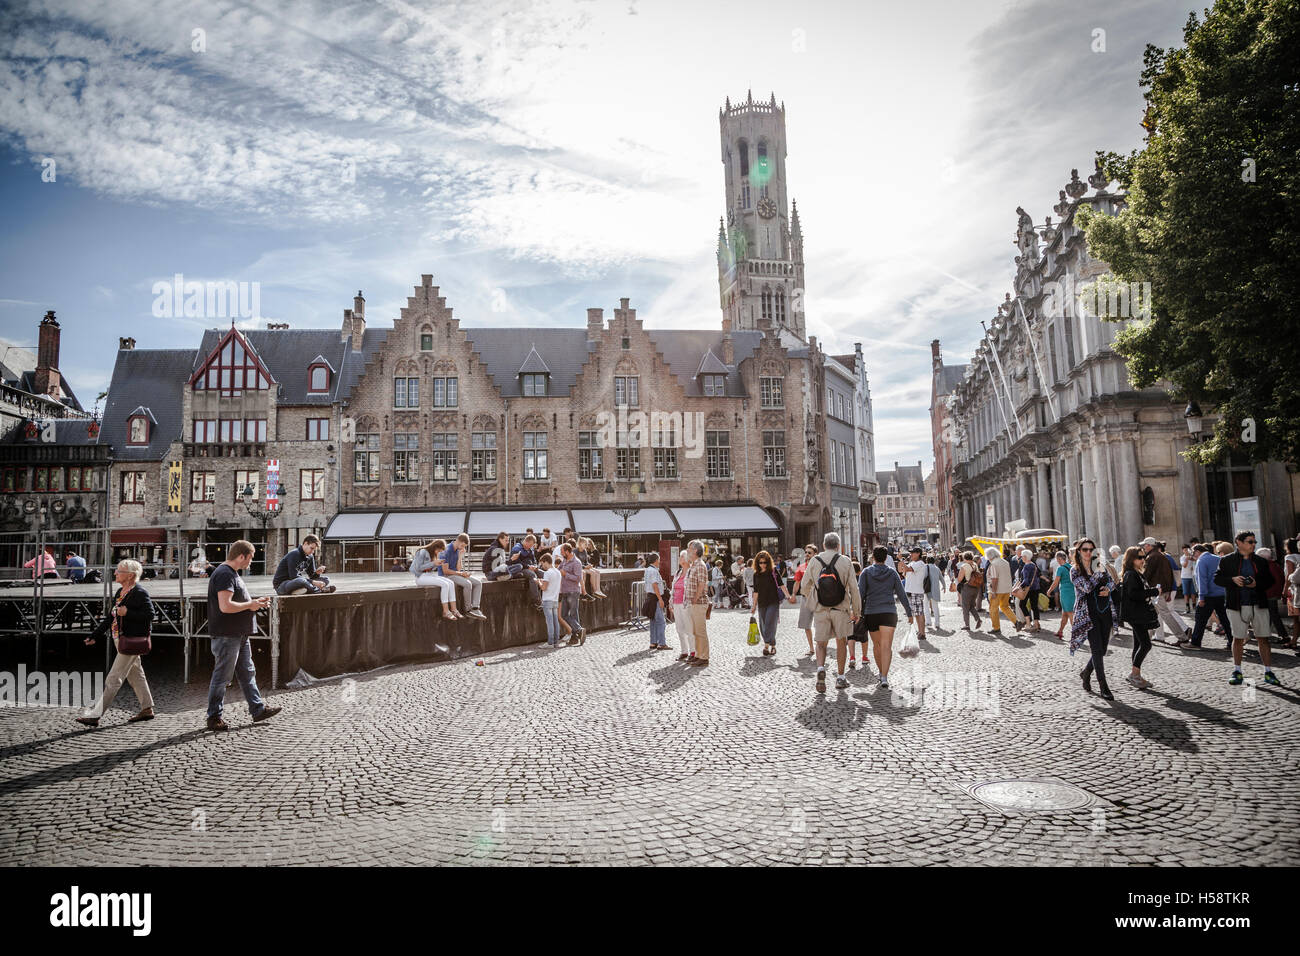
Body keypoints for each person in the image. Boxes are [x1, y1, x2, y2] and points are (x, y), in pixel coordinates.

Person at [205, 540, 281, 731]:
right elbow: (226, 606)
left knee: (248, 673)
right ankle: (214, 717)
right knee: (222, 677)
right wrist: (251, 605)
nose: (251, 562)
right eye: (251, 558)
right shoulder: (224, 574)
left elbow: (235, 602)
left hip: (238, 634)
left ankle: (258, 709)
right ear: (241, 556)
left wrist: (254, 603)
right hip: (227, 635)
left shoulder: (231, 574)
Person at [75, 559, 155, 727]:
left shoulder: (139, 592)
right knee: (136, 674)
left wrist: (128, 612)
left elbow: (149, 614)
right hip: (120, 639)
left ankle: (95, 715)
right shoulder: (120, 591)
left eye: (119, 571)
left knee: (114, 678)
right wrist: (94, 635)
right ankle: (147, 709)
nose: (115, 573)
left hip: (131, 641)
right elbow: (111, 617)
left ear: (131, 575)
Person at [1215, 530, 1281, 687]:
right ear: (1239, 542)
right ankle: (1237, 671)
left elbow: (1270, 581)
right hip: (1236, 605)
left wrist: (1256, 584)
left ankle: (1268, 671)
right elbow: (1217, 579)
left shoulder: (1261, 561)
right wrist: (1232, 580)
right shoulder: (1226, 561)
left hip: (1259, 603)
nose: (1253, 545)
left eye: (1254, 542)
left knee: (1263, 638)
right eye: (1250, 542)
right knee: (1238, 638)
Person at [804, 532, 861, 692]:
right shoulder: (845, 561)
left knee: (821, 644)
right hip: (840, 608)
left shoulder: (815, 561)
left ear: (823, 545)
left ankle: (821, 669)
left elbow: (804, 585)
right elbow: (854, 589)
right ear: (838, 546)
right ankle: (841, 678)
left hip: (821, 609)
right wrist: (856, 611)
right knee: (841, 642)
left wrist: (815, 596)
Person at [855, 546, 913, 688]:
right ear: (886, 558)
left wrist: (855, 611)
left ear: (873, 557)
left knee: (877, 646)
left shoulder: (866, 573)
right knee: (887, 646)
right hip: (888, 612)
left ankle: (881, 673)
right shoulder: (892, 573)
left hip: (871, 612)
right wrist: (909, 612)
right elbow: (901, 593)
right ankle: (885, 677)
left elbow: (860, 594)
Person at [1069, 538, 1115, 700]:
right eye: (1085, 550)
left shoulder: (1100, 566)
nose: (1089, 552)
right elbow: (1087, 588)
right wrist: (1096, 572)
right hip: (1087, 615)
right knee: (1096, 649)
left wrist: (1108, 589)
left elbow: (1112, 582)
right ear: (1079, 552)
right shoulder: (1074, 570)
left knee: (1102, 650)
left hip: (1105, 611)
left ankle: (1086, 671)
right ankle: (1103, 686)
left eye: (1091, 549)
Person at [1120, 546, 1160, 690]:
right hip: (1135, 614)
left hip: (1137, 613)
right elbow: (1134, 594)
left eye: (1144, 557)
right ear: (1132, 559)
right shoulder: (1131, 574)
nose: (1143, 560)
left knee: (1138, 644)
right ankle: (1134, 675)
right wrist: (1154, 591)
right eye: (1139, 558)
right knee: (1146, 644)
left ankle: (1135, 674)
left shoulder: (1136, 573)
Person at [1181, 542, 1231, 649]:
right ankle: (1232, 642)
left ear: (1198, 552)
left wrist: (1202, 597)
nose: (1192, 556)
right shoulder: (1217, 558)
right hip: (1221, 593)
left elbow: (1202, 580)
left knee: (1200, 619)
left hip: (1208, 595)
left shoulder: (1201, 561)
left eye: (1193, 553)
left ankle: (1195, 643)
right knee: (1225, 619)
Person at [751, 549, 792, 656]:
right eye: (760, 562)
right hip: (762, 602)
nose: (763, 565)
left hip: (773, 601)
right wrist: (754, 605)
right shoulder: (756, 575)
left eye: (765, 562)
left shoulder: (773, 571)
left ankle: (766, 646)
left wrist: (788, 596)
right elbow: (755, 591)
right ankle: (773, 646)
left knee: (770, 623)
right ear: (757, 563)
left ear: (768, 562)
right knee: (763, 625)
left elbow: (781, 585)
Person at [412, 538, 462, 621]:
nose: (439, 553)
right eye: (439, 550)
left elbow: (430, 568)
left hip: (429, 575)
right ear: (435, 547)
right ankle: (446, 611)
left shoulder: (434, 554)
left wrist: (437, 563)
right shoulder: (422, 552)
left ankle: (454, 609)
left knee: (451, 583)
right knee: (445, 584)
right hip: (420, 577)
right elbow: (418, 568)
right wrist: (433, 563)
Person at [439, 533, 487, 620]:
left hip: (455, 573)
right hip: (446, 576)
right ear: (457, 541)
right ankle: (468, 610)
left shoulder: (458, 549)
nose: (462, 547)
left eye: (464, 546)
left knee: (478, 583)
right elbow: (445, 571)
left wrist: (460, 557)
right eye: (462, 545)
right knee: (468, 584)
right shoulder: (446, 550)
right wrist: (461, 574)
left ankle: (475, 608)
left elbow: (458, 568)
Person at [682, 540, 711, 666]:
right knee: (695, 631)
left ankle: (704, 657)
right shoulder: (694, 564)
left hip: (698, 602)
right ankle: (699, 654)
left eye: (689, 549)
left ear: (695, 550)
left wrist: (695, 598)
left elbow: (701, 584)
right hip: (693, 602)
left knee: (700, 631)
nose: (687, 551)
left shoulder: (700, 565)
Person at [789, 544, 818, 657]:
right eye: (806, 552)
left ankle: (819, 645)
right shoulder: (801, 567)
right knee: (806, 624)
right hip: (805, 598)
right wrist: (793, 594)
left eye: (809, 553)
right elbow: (797, 582)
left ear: (815, 554)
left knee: (819, 623)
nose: (807, 554)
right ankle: (811, 648)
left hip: (818, 599)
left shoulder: (819, 566)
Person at [557, 541, 586, 646]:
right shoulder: (564, 560)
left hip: (573, 591)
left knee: (573, 614)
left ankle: (575, 637)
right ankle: (579, 630)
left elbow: (578, 578)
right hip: (564, 591)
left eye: (562, 551)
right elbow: (558, 570)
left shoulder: (577, 563)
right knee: (564, 615)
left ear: (568, 552)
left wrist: (566, 574)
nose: (561, 553)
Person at [1258, 547, 1288, 642]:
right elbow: (1282, 578)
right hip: (1274, 592)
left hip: (1268, 593)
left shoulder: (1264, 566)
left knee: (1273, 614)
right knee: (1271, 614)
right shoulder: (1275, 565)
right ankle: (1266, 633)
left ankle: (1284, 635)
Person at [985, 546, 1016, 635]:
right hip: (1006, 589)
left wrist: (993, 591)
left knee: (993, 609)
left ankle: (996, 627)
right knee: (1005, 606)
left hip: (997, 590)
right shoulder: (1005, 562)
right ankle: (1016, 622)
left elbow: (994, 579)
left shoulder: (994, 564)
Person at [642, 552, 669, 650]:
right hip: (655, 598)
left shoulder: (647, 570)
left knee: (653, 620)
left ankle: (653, 642)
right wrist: (660, 599)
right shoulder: (654, 571)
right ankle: (662, 643)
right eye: (659, 559)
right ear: (656, 560)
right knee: (661, 621)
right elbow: (655, 585)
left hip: (650, 597)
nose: (660, 561)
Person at [671, 549, 695, 662]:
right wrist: (671, 603)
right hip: (676, 603)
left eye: (681, 557)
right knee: (679, 628)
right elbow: (673, 589)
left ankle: (693, 651)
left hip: (686, 604)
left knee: (689, 628)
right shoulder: (678, 573)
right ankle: (684, 651)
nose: (679, 559)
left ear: (686, 559)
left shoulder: (691, 572)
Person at [902, 546, 928, 641]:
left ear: (918, 554)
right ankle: (920, 632)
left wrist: (900, 560)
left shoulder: (920, 563)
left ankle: (922, 633)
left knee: (919, 612)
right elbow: (903, 571)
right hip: (910, 590)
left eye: (913, 553)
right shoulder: (912, 563)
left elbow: (908, 569)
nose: (911, 554)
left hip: (916, 591)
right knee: (916, 613)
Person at [1047, 550, 1074, 639]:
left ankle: (1076, 633)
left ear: (1059, 558)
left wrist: (1049, 590)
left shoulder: (1060, 568)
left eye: (1056, 559)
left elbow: (1056, 582)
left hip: (1065, 592)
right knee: (1065, 613)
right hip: (1072, 592)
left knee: (1070, 613)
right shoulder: (1071, 566)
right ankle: (1060, 631)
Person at [1014, 547, 1043, 632]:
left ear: (1025, 557)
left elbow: (1026, 580)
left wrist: (1019, 588)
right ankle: (1036, 624)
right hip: (1036, 588)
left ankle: (1028, 623)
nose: (1021, 557)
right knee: (1034, 606)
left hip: (1028, 589)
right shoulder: (1034, 564)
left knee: (1022, 604)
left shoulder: (1026, 566)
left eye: (1022, 556)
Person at [538, 553, 563, 646]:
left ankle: (550, 643)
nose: (542, 566)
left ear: (545, 562)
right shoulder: (558, 572)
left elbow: (544, 588)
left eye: (542, 564)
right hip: (555, 599)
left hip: (547, 599)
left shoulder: (548, 573)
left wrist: (539, 582)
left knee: (549, 622)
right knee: (555, 621)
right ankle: (556, 641)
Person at [956, 550, 983, 630]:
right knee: (971, 606)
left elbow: (960, 579)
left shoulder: (964, 566)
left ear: (964, 557)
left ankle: (967, 625)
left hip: (967, 587)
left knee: (965, 606)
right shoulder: (975, 565)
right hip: (976, 587)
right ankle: (978, 619)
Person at [1179, 544, 1197, 613]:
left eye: (1187, 549)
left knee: (1193, 592)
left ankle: (1194, 606)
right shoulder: (1182, 558)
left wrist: (1192, 559)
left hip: (1192, 576)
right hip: (1185, 577)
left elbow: (1196, 563)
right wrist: (1187, 559)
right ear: (1183, 550)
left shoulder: (1193, 557)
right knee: (1186, 593)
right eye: (1185, 550)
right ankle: (1187, 607)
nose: (1186, 551)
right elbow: (1184, 566)